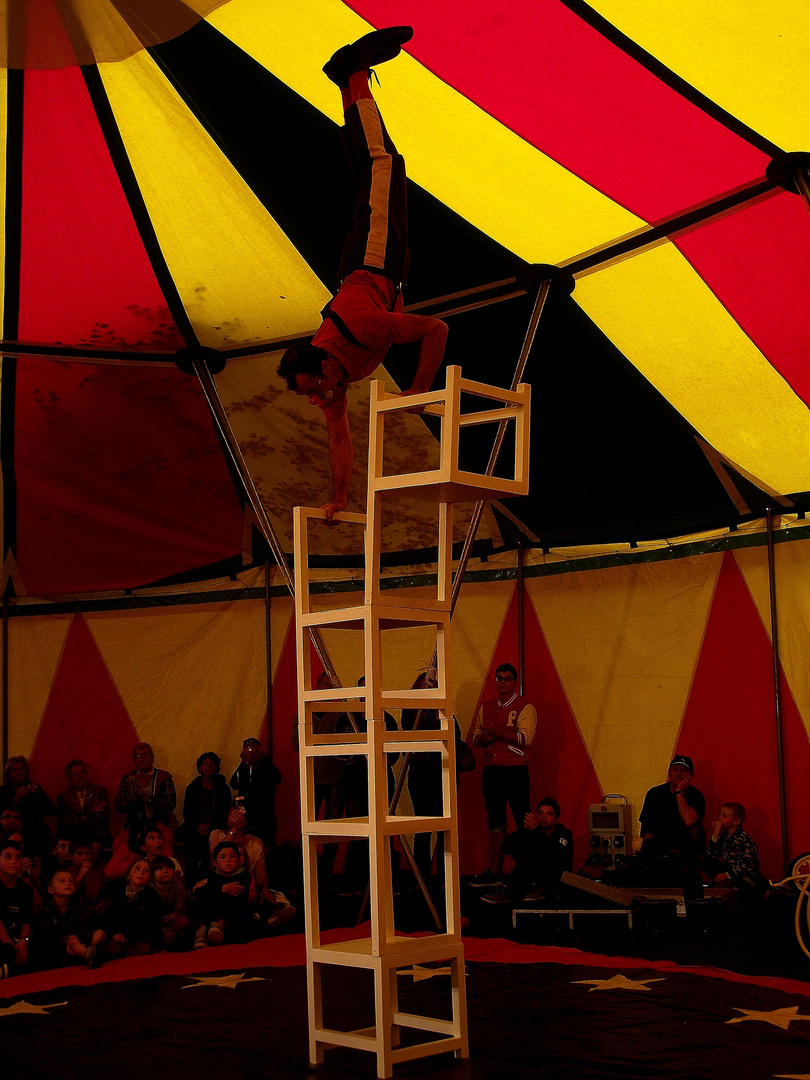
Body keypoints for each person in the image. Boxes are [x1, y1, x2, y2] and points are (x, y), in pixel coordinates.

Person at [276, 26, 448, 522]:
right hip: (374, 267)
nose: (316, 399)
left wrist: (418, 388)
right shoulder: (333, 379)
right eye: (312, 393)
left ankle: (354, 70)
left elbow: (437, 330)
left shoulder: (363, 332)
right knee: (369, 168)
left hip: (374, 257)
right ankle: (346, 79)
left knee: (382, 161)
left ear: (326, 368)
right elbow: (339, 441)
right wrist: (339, 499)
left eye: (313, 389)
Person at [469, 664, 537, 889]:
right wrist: (487, 738)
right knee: (495, 821)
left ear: (515, 681)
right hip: (492, 770)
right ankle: (495, 871)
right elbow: (476, 739)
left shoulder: (525, 706)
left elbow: (526, 739)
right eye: (499, 679)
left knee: (523, 820)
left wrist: (496, 732)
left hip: (516, 769)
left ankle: (526, 871)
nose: (503, 682)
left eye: (507, 679)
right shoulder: (486, 706)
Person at [290, 673, 346, 884]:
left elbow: (347, 746)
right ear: (315, 685)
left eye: (331, 685)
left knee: (333, 831)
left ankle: (326, 877)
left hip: (335, 778)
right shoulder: (304, 711)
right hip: (311, 777)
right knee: (308, 829)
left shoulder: (340, 713)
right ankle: (305, 875)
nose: (327, 687)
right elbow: (296, 744)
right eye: (324, 683)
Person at [208, 803, 294, 930]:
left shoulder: (256, 842)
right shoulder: (217, 835)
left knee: (270, 895)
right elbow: (217, 854)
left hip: (249, 885)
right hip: (222, 882)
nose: (239, 817)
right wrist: (233, 830)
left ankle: (272, 915)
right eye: (235, 814)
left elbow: (260, 872)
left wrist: (264, 888)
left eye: (242, 813)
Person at [481, 797, 573, 906]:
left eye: (549, 814)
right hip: (532, 877)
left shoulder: (564, 834)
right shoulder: (533, 832)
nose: (544, 816)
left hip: (557, 879)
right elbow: (506, 846)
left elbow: (551, 855)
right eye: (541, 813)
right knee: (528, 853)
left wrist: (535, 832)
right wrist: (524, 830)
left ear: (556, 819)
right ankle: (509, 890)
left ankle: (509, 888)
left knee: (534, 854)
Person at [638, 754, 705, 894]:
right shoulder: (655, 793)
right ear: (669, 772)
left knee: (698, 833)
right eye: (675, 769)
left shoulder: (695, 795)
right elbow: (646, 827)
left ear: (690, 775)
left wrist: (680, 793)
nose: (679, 773)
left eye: (683, 770)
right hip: (658, 844)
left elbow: (689, 821)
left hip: (684, 845)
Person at [36, 867, 105, 969]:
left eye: (70, 881)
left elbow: (83, 927)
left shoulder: (76, 906)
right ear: (51, 889)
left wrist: (85, 939)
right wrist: (65, 945)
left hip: (80, 943)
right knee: (71, 939)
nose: (68, 883)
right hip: (59, 949)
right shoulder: (46, 911)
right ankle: (89, 954)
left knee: (99, 933)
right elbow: (45, 939)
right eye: (62, 881)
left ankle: (91, 952)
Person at [181, 751, 232, 886]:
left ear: (217, 767)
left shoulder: (224, 788)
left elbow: (225, 812)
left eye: (212, 763)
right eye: (205, 763)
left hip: (215, 827)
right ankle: (192, 882)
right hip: (194, 827)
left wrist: (211, 826)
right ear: (199, 768)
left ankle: (211, 881)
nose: (208, 766)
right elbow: (187, 813)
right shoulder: (192, 788)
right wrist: (197, 826)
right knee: (190, 843)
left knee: (212, 842)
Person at [192, 840, 254, 949]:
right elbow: (198, 892)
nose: (228, 860)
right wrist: (222, 888)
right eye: (222, 857)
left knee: (227, 897)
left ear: (239, 861)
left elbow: (238, 896)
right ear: (215, 863)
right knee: (200, 900)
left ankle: (219, 926)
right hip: (211, 913)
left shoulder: (244, 875)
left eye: (232, 856)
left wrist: (215, 891)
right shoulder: (213, 876)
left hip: (235, 916)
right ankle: (201, 933)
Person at [115, 743, 177, 851]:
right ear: (134, 760)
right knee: (119, 845)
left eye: (147, 754)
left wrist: (149, 800)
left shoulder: (164, 777)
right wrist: (134, 799)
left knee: (165, 842)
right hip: (133, 825)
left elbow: (171, 803)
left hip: (160, 823)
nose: (143, 758)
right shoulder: (127, 779)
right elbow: (119, 806)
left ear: (153, 758)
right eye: (139, 755)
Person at [704, 802, 768, 901]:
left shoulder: (742, 838)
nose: (720, 818)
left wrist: (727, 875)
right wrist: (715, 833)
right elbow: (710, 854)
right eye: (719, 815)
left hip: (742, 875)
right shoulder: (723, 836)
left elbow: (749, 864)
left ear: (736, 821)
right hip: (729, 869)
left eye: (724, 816)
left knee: (720, 890)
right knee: (703, 859)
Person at [229, 737, 281, 857]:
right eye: (248, 749)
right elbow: (233, 784)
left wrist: (262, 760)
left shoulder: (266, 764)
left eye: (254, 749)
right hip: (247, 815)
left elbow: (277, 779)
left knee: (268, 849)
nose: (251, 752)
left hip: (266, 814)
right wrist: (244, 762)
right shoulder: (243, 766)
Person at [103, 857, 162, 957]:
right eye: (137, 869)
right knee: (113, 949)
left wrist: (157, 947)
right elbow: (109, 917)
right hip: (121, 937)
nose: (141, 873)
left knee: (141, 951)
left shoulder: (152, 896)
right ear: (129, 874)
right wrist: (115, 933)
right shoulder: (118, 894)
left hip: (142, 938)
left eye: (146, 871)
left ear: (150, 879)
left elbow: (155, 924)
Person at [0, 755, 56, 857]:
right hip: (14, 835)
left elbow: (50, 810)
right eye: (15, 770)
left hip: (38, 836)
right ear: (8, 774)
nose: (19, 773)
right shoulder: (3, 792)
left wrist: (39, 794)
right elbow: (2, 814)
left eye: (22, 769)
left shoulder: (34, 788)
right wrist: (16, 799)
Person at [56, 759, 112, 858]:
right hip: (74, 833)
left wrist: (82, 816)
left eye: (82, 772)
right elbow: (63, 822)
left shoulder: (99, 791)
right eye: (75, 774)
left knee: (92, 847)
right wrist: (90, 812)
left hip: (96, 832)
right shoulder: (63, 796)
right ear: (69, 777)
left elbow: (104, 817)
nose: (79, 776)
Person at [0, 839, 34, 974]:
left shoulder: (25, 889)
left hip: (15, 936)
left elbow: (26, 925)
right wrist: (10, 945)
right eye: (8, 857)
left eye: (18, 857)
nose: (14, 861)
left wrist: (23, 941)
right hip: (3, 939)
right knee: (7, 951)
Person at [150, 855, 190, 950]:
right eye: (160, 868)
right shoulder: (150, 890)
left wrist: (169, 924)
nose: (165, 871)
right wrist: (162, 929)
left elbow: (180, 909)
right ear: (152, 875)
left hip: (173, 921)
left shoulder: (179, 887)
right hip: (156, 923)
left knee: (183, 921)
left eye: (169, 868)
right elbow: (151, 915)